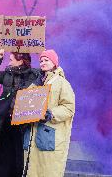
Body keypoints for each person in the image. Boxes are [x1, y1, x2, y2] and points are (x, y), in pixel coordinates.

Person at [23, 49, 75, 177]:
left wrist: (50, 114)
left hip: (49, 136)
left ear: (54, 63)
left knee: (48, 172)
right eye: (41, 60)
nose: (43, 63)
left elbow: (68, 108)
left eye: (46, 60)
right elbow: (26, 104)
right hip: (32, 137)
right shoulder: (37, 82)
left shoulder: (62, 83)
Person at [0, 49, 40, 177]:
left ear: (20, 60)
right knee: (3, 157)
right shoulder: (7, 73)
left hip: (22, 125)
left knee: (18, 160)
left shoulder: (34, 75)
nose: (9, 62)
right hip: (5, 122)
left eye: (11, 60)